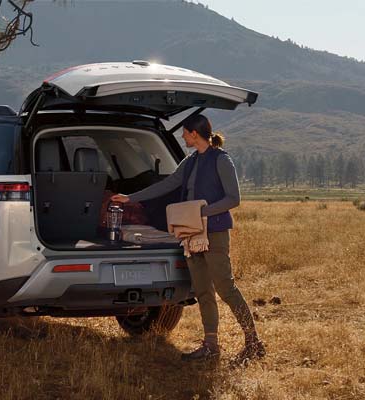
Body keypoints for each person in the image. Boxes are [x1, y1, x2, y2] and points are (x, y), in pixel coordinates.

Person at [111, 114, 265, 365]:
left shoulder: (221, 160)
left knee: (226, 289)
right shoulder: (190, 162)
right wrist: (130, 198)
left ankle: (253, 342)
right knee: (203, 291)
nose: (182, 137)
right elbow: (168, 184)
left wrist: (200, 212)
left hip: (213, 232)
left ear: (195, 133)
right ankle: (211, 346)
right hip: (191, 233)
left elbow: (233, 199)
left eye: (184, 133)